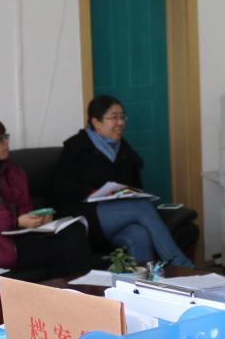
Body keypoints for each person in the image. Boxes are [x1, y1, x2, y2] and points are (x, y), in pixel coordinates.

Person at [0, 115, 90, 278]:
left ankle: (79, 288)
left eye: (6, 137)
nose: (6, 143)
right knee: (60, 249)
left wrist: (37, 219)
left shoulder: (12, 171)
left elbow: (24, 206)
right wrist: (15, 221)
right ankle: (74, 289)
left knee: (75, 231)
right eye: (0, 139)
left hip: (19, 235)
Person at [55, 96, 193, 268]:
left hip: (117, 217)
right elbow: (62, 187)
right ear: (96, 122)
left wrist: (130, 192)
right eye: (114, 117)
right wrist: (92, 193)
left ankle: (145, 280)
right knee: (140, 207)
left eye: (122, 117)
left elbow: (136, 185)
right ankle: (182, 266)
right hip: (85, 217)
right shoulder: (76, 147)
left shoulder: (124, 148)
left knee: (139, 234)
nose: (120, 123)